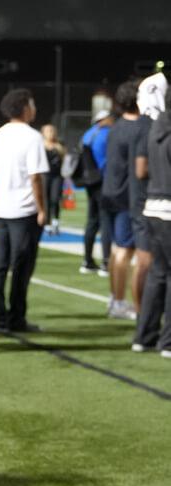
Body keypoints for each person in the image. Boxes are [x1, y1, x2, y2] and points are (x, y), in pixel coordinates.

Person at [0, 88, 49, 333]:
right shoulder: (32, 137)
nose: (34, 109)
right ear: (24, 108)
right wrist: (42, 209)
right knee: (22, 267)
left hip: (1, 209)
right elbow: (36, 178)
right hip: (24, 211)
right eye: (32, 104)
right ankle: (16, 318)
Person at [102, 81, 152, 320]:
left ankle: (115, 298)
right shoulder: (139, 128)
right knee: (125, 251)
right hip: (126, 196)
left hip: (110, 192)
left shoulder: (115, 127)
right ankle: (120, 302)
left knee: (116, 250)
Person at [134, 87, 171, 355]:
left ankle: (144, 336)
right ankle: (168, 341)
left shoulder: (155, 127)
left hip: (153, 206)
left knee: (158, 274)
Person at [77, 109, 112, 275]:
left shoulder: (88, 134)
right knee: (106, 222)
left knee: (92, 221)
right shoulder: (107, 134)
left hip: (90, 182)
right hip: (103, 181)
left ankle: (87, 260)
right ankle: (106, 262)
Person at [41, 124, 65, 235]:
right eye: (48, 131)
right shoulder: (40, 146)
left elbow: (65, 160)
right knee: (46, 200)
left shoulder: (60, 145)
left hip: (57, 176)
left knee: (55, 199)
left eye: (52, 130)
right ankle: (47, 224)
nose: (51, 133)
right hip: (45, 176)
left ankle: (56, 222)